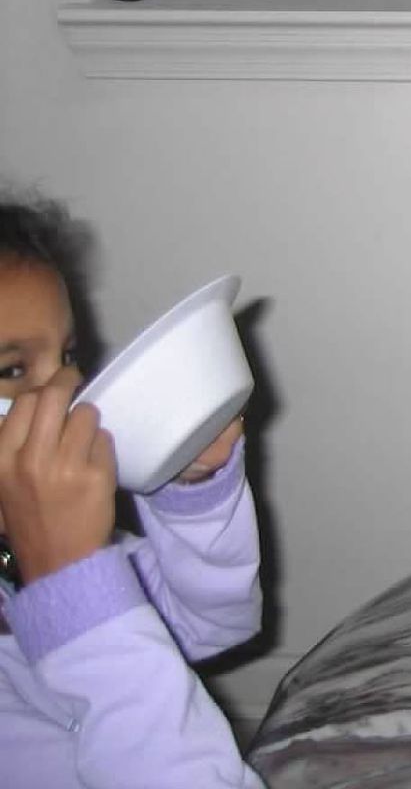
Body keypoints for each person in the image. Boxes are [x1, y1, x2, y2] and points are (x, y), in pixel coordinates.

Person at [0, 195, 262, 788]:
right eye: (12, 370)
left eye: (68, 357)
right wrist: (70, 588)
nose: (70, 389)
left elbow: (212, 625)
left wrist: (190, 492)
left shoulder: (19, 549)